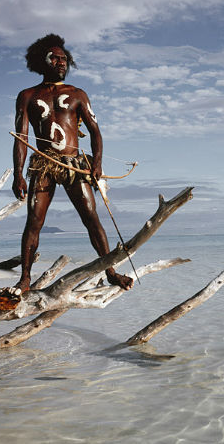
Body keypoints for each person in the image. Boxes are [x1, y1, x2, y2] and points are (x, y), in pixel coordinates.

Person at [11, 33, 134, 292]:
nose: (61, 63)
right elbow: (21, 138)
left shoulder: (78, 94)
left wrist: (97, 164)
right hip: (44, 164)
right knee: (34, 221)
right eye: (54, 58)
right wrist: (18, 175)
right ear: (41, 61)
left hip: (74, 165)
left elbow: (95, 132)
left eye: (64, 59)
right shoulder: (27, 96)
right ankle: (24, 279)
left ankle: (110, 272)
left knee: (91, 218)